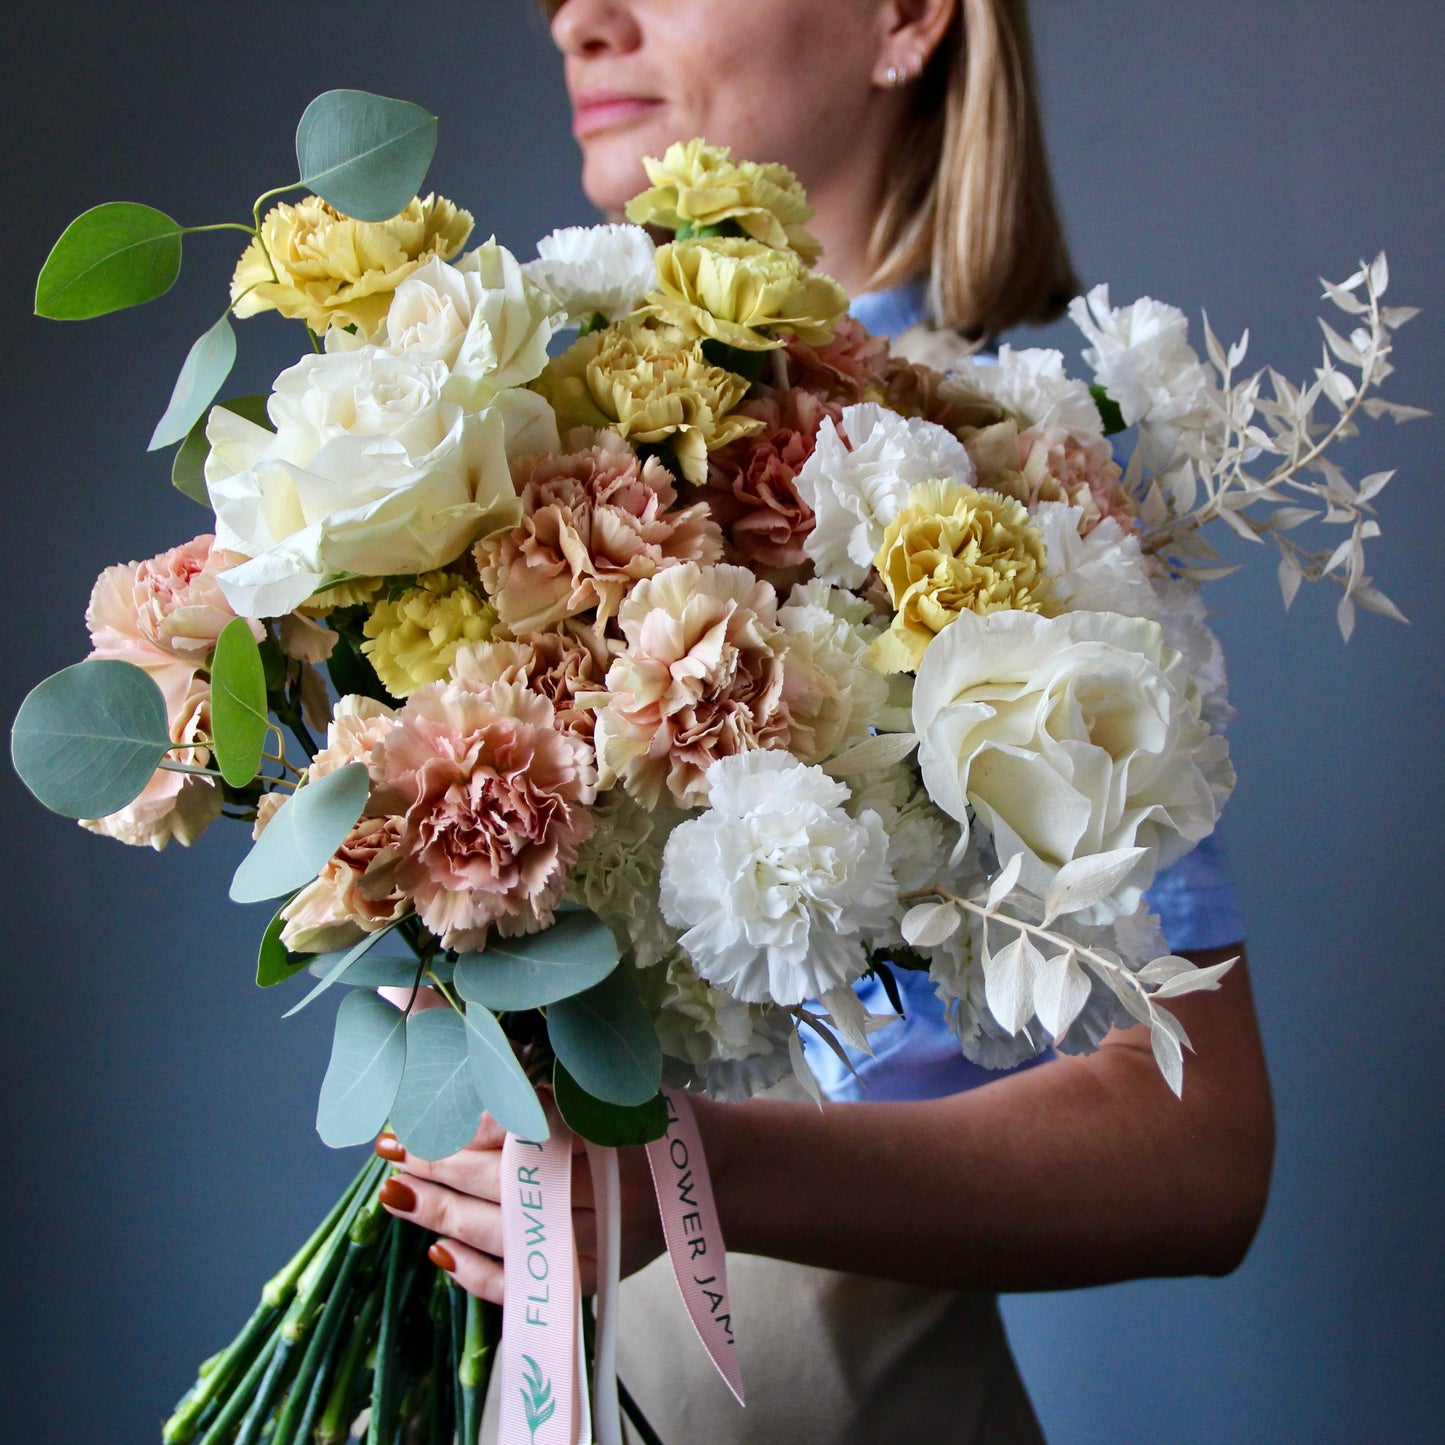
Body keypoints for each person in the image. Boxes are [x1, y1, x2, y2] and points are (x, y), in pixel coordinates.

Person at [373, 2, 1276, 1439]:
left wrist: (701, 1175)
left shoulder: (1006, 512)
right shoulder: (524, 443)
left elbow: (1200, 1143)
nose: (580, 19)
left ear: (905, 17)